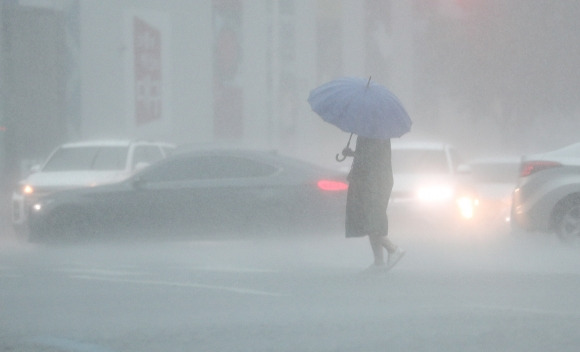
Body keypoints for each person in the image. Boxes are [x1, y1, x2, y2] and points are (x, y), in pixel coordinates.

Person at [345, 135, 405, 272]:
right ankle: (378, 261)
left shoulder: (375, 136)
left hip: (374, 181)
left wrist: (352, 153)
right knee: (371, 219)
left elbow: (370, 159)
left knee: (371, 219)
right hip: (372, 180)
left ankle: (393, 249)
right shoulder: (370, 133)